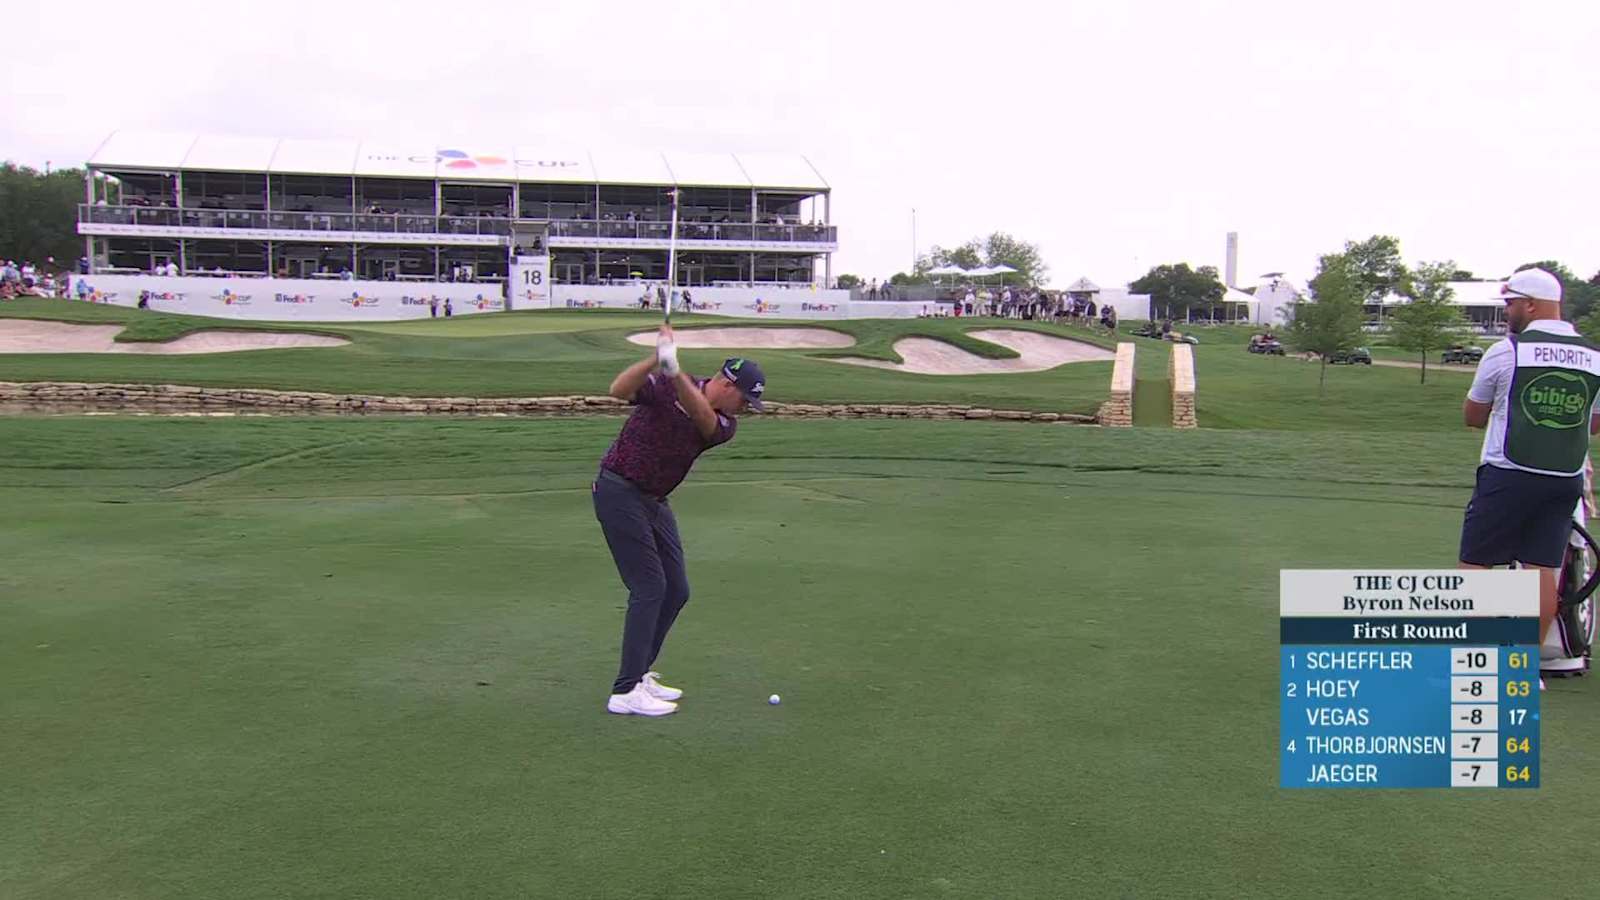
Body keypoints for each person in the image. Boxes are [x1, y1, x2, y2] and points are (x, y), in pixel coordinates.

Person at [594, 327, 766, 716]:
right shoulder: (670, 383)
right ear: (727, 384)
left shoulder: (723, 424)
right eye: (745, 399)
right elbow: (617, 391)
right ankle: (625, 692)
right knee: (650, 587)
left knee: (677, 590)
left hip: (654, 501)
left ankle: (638, 675)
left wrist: (674, 374)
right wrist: (656, 360)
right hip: (618, 490)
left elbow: (702, 417)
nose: (744, 409)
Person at [1460, 268, 1600, 691]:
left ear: (1532, 305)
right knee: (1543, 569)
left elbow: (1473, 416)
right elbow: (1593, 424)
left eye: (1511, 303)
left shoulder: (1507, 351)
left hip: (1508, 474)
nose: (1507, 312)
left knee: (1475, 565)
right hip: (1564, 479)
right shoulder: (1594, 356)